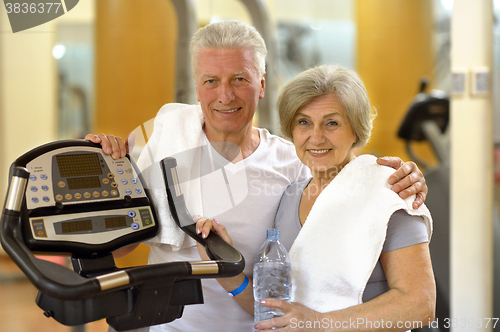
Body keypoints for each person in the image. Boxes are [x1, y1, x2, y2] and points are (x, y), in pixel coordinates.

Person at [86, 21, 429, 332]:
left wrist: (401, 177)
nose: (225, 95)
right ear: (197, 87)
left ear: (261, 85)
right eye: (211, 81)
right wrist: (99, 165)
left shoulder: (294, 166)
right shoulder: (159, 138)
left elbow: (416, 299)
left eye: (240, 79)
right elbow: (121, 241)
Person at [196, 64, 435, 331]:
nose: (316, 137)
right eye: (303, 123)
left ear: (356, 129)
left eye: (332, 123)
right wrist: (226, 270)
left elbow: (419, 303)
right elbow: (277, 313)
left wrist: (320, 323)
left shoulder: (389, 192)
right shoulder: (289, 197)